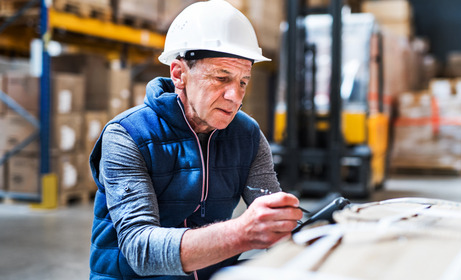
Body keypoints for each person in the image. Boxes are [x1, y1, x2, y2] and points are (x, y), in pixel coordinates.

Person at [89, 0, 303, 279]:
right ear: (179, 74)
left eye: (242, 82)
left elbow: (273, 221)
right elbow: (140, 251)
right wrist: (241, 233)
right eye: (221, 78)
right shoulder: (128, 135)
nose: (235, 97)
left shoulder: (247, 135)